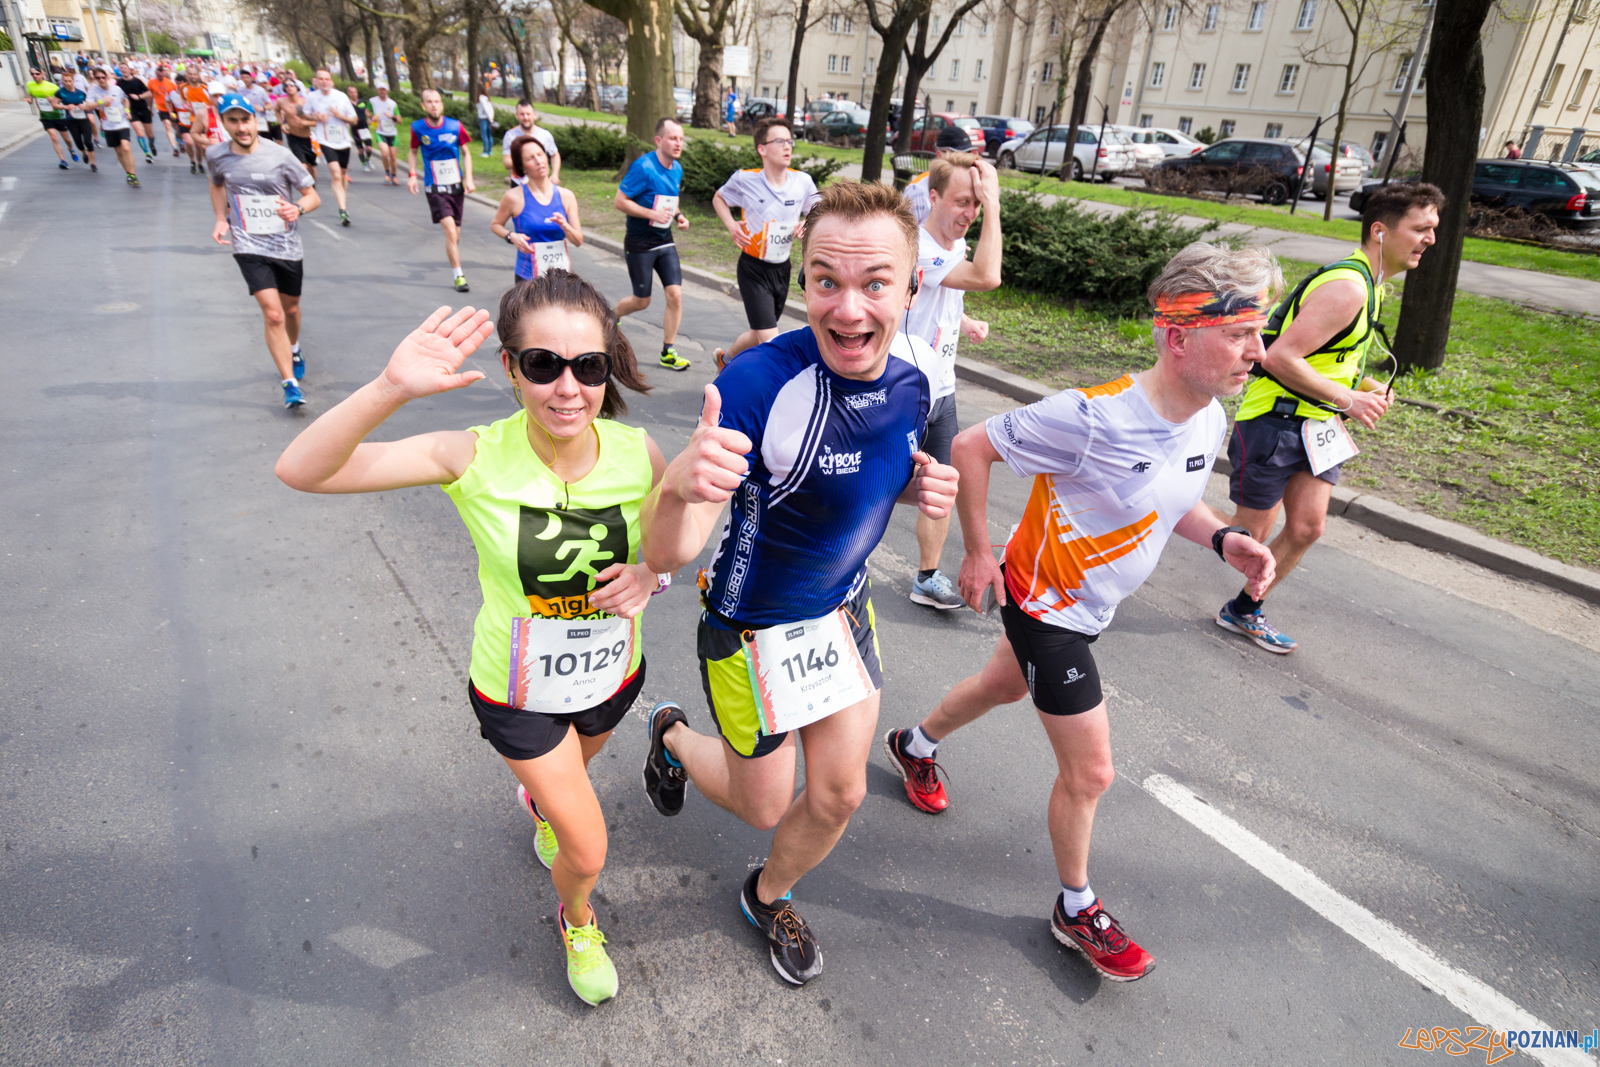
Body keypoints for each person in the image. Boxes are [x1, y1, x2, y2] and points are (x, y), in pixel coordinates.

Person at [882, 241, 1280, 982]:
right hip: (1047, 607)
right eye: (1241, 332)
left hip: (1093, 608)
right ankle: (1076, 904)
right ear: (1178, 333)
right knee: (1091, 771)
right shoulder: (1091, 418)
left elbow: (1177, 496)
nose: (1258, 349)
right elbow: (970, 447)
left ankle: (914, 741)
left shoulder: (1206, 421)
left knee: (1002, 684)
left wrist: (1224, 537)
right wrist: (976, 550)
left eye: (1260, 331)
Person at [274, 272, 664, 1008]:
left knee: (567, 791)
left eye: (588, 366)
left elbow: (674, 542)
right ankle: (577, 918)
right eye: (544, 364)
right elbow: (302, 470)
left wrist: (653, 574)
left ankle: (546, 804)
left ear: (606, 368)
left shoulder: (638, 452)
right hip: (517, 692)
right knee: (588, 844)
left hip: (612, 676)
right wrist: (390, 387)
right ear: (513, 367)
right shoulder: (472, 455)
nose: (568, 388)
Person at [637, 180, 958, 986]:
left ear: (911, 287)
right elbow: (672, 551)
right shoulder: (758, 389)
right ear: (803, 280)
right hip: (750, 629)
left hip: (842, 613)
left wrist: (916, 486)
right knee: (765, 803)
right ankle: (672, 734)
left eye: (875, 283)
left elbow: (871, 467)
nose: (849, 309)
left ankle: (765, 891)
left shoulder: (920, 374)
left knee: (841, 792)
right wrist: (678, 484)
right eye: (826, 281)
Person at [1215, 182, 1443, 654]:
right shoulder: (1348, 287)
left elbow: (1327, 358)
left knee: (1306, 528)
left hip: (1317, 426)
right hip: (1276, 422)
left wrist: (1362, 386)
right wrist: (1349, 400)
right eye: (1420, 228)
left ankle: (1244, 611)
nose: (1430, 239)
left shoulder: (1372, 285)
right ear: (1381, 231)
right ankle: (1154, 512)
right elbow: (1279, 358)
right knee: (1248, 536)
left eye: (1434, 229)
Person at [900, 152, 1003, 610]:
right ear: (934, 196)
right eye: (964, 201)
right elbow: (987, 276)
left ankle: (925, 576)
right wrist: (997, 206)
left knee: (943, 482)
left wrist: (965, 321)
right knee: (874, 482)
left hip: (942, 387)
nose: (971, 213)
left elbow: (947, 295)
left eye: (978, 206)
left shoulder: (953, 247)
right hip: (903, 389)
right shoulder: (918, 246)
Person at [206, 93, 320, 409]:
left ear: (256, 121)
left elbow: (312, 196)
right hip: (248, 243)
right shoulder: (216, 155)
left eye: (246, 120)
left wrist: (297, 208)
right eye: (233, 120)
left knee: (291, 309)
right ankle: (290, 384)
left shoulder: (280, 155)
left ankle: (294, 347)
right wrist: (220, 217)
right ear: (223, 122)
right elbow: (216, 183)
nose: (241, 127)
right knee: (273, 314)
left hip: (285, 244)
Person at [709, 116, 819, 369]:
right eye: (780, 141)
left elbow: (819, 213)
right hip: (753, 268)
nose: (788, 146)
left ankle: (724, 359)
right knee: (770, 337)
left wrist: (807, 223)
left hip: (781, 269)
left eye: (790, 141)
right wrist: (731, 225)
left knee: (759, 332)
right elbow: (719, 198)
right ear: (762, 149)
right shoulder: (745, 180)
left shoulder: (802, 182)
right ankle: (774, 390)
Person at [614, 118, 691, 372]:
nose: (678, 143)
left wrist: (679, 216)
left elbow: (672, 200)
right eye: (672, 138)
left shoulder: (676, 168)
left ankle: (668, 351)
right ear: (659, 141)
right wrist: (651, 214)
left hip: (664, 241)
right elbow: (620, 201)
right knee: (641, 300)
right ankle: (611, 317)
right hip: (639, 244)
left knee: (675, 295)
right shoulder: (644, 167)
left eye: (680, 138)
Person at [407, 87, 476, 293]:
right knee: (449, 230)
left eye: (436, 101)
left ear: (442, 104)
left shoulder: (455, 126)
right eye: (429, 102)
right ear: (423, 105)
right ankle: (459, 276)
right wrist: (412, 174)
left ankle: (452, 249)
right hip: (434, 187)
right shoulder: (417, 128)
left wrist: (469, 178)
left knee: (455, 234)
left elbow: (466, 152)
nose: (433, 105)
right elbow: (412, 151)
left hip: (456, 186)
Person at [490, 136, 583, 282]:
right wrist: (511, 236)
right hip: (528, 277)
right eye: (531, 158)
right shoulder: (513, 197)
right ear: (522, 167)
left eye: (540, 155)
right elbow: (495, 225)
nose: (539, 161)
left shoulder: (566, 196)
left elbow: (578, 241)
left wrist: (565, 226)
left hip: (561, 278)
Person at [302, 70, 358, 226]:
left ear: (331, 81)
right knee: (336, 174)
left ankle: (342, 198)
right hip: (325, 140)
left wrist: (339, 115)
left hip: (343, 141)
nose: (324, 81)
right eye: (321, 79)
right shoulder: (313, 97)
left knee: (342, 173)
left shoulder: (341, 96)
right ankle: (343, 210)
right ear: (317, 81)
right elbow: (306, 114)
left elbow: (354, 120)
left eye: (327, 79)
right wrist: (317, 118)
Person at [84, 68, 140, 187]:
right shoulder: (93, 91)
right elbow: (88, 106)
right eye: (98, 78)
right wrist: (101, 101)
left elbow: (125, 100)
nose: (101, 80)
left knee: (126, 148)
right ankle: (128, 173)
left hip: (122, 122)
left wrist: (127, 110)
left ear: (107, 77)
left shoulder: (116, 89)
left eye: (103, 77)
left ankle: (133, 174)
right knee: (119, 151)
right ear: (95, 78)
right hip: (108, 125)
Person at [500, 100, 560, 184]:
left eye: (528, 114)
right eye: (522, 114)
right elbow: (507, 162)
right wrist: (527, 163)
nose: (526, 117)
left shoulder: (545, 135)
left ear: (534, 115)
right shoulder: (510, 135)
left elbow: (555, 155)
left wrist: (555, 174)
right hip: (518, 183)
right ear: (516, 115)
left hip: (541, 182)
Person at [25, 70, 74, 170]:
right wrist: (29, 100)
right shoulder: (30, 84)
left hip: (58, 115)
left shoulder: (52, 86)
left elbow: (63, 99)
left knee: (67, 139)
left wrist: (53, 100)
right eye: (32, 74)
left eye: (37, 73)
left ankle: (71, 149)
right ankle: (63, 160)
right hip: (45, 116)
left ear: (42, 74)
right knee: (54, 138)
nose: (35, 76)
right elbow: (29, 94)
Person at [55, 70, 98, 173]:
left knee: (88, 141)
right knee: (78, 143)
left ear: (73, 81)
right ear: (62, 81)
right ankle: (84, 152)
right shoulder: (60, 92)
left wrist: (84, 106)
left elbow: (89, 104)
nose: (68, 83)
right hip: (71, 121)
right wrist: (65, 106)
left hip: (83, 119)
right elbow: (54, 104)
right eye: (65, 81)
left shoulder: (80, 93)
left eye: (70, 81)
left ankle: (93, 163)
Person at [277, 81, 319, 183]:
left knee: (311, 167)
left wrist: (304, 123)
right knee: (302, 165)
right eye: (286, 85)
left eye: (291, 85)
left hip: (307, 138)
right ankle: (306, 189)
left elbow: (317, 121)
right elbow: (276, 110)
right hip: (293, 137)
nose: (289, 87)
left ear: (297, 88)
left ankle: (312, 186)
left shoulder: (305, 102)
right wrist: (282, 123)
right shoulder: (281, 101)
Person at [115, 66, 156, 163]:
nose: (123, 70)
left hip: (142, 108)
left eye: (125, 68)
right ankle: (147, 154)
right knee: (139, 132)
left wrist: (138, 96)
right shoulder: (119, 83)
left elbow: (149, 94)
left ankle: (151, 144)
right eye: (121, 69)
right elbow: (117, 95)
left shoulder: (137, 81)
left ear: (130, 70)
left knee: (150, 134)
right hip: (130, 110)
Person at [182, 67, 214, 173]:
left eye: (194, 74)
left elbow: (212, 102)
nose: (192, 76)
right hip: (193, 118)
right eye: (190, 74)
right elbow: (184, 101)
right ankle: (196, 162)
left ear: (198, 75)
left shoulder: (205, 88)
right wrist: (187, 107)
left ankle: (206, 164)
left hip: (206, 118)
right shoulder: (183, 88)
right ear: (187, 75)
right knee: (196, 144)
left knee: (205, 146)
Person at [147, 63, 182, 156]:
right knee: (168, 126)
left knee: (178, 128)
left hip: (172, 107)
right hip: (161, 108)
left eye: (163, 72)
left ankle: (180, 141)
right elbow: (150, 96)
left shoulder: (170, 83)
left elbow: (177, 94)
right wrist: (150, 108)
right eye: (158, 72)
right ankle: (174, 148)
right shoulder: (151, 82)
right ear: (155, 72)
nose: (161, 74)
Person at [370, 84, 401, 184]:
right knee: (384, 153)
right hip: (380, 131)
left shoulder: (392, 104)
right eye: (380, 89)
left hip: (392, 133)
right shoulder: (372, 101)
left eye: (384, 90)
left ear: (387, 91)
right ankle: (387, 173)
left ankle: (394, 176)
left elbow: (400, 120)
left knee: (392, 155)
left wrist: (391, 116)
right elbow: (367, 111)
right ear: (377, 90)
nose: (382, 91)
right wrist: (372, 117)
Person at [240, 69, 275, 143]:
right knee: (253, 142)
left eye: (247, 77)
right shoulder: (239, 90)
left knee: (266, 141)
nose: (245, 79)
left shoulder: (260, 90)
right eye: (243, 77)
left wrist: (262, 108)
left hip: (261, 120)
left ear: (251, 78)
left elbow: (270, 105)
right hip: (248, 120)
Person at [347, 85, 374, 171]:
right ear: (348, 93)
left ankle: (368, 160)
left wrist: (370, 119)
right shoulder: (348, 104)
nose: (353, 94)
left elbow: (367, 112)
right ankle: (364, 164)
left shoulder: (362, 102)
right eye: (351, 92)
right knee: (361, 150)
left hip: (364, 128)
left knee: (369, 148)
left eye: (354, 92)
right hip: (355, 129)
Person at [476, 89, 496, 157]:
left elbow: (485, 109)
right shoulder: (487, 98)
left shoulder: (481, 98)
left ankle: (485, 151)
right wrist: (491, 118)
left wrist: (490, 119)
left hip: (483, 119)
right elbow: (491, 109)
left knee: (484, 135)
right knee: (489, 135)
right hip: (488, 118)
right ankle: (489, 151)